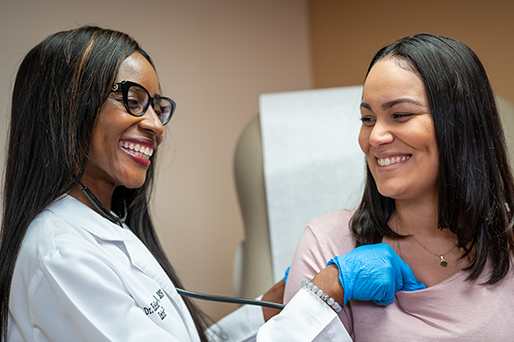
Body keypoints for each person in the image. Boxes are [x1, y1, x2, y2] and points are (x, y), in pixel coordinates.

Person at [0, 25, 375, 342]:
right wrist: (324, 294)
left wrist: (274, 302)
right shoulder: (61, 256)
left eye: (157, 107)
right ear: (64, 108)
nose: (156, 126)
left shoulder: (105, 224)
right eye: (133, 100)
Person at [283, 33, 514, 341]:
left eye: (400, 115)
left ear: (461, 124)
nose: (375, 137)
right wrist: (329, 289)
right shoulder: (327, 246)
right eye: (367, 118)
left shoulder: (508, 240)